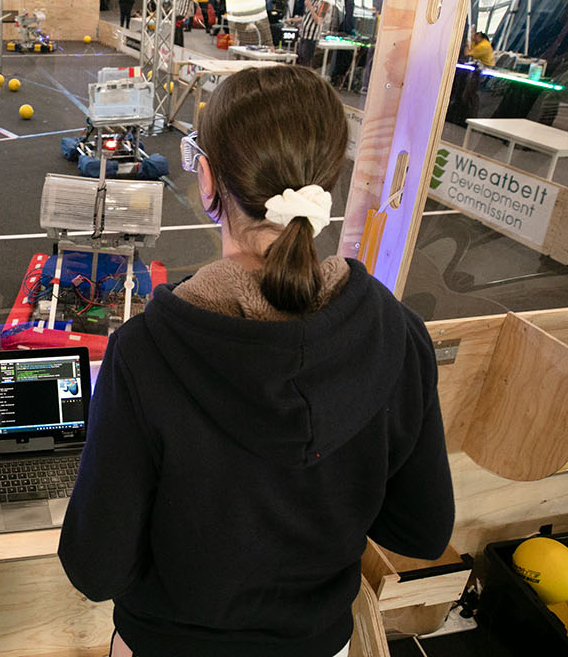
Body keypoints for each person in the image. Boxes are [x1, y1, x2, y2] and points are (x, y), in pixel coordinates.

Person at [58, 65, 455, 657]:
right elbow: (421, 530)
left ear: (209, 180)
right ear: (328, 181)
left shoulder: (145, 353)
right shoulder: (398, 336)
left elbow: (96, 569)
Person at [295, 0, 328, 66]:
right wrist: (292, 20)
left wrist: (310, 7)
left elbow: (319, 20)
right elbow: (307, 16)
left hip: (311, 36)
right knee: (300, 60)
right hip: (303, 34)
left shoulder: (324, 2)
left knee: (306, 62)